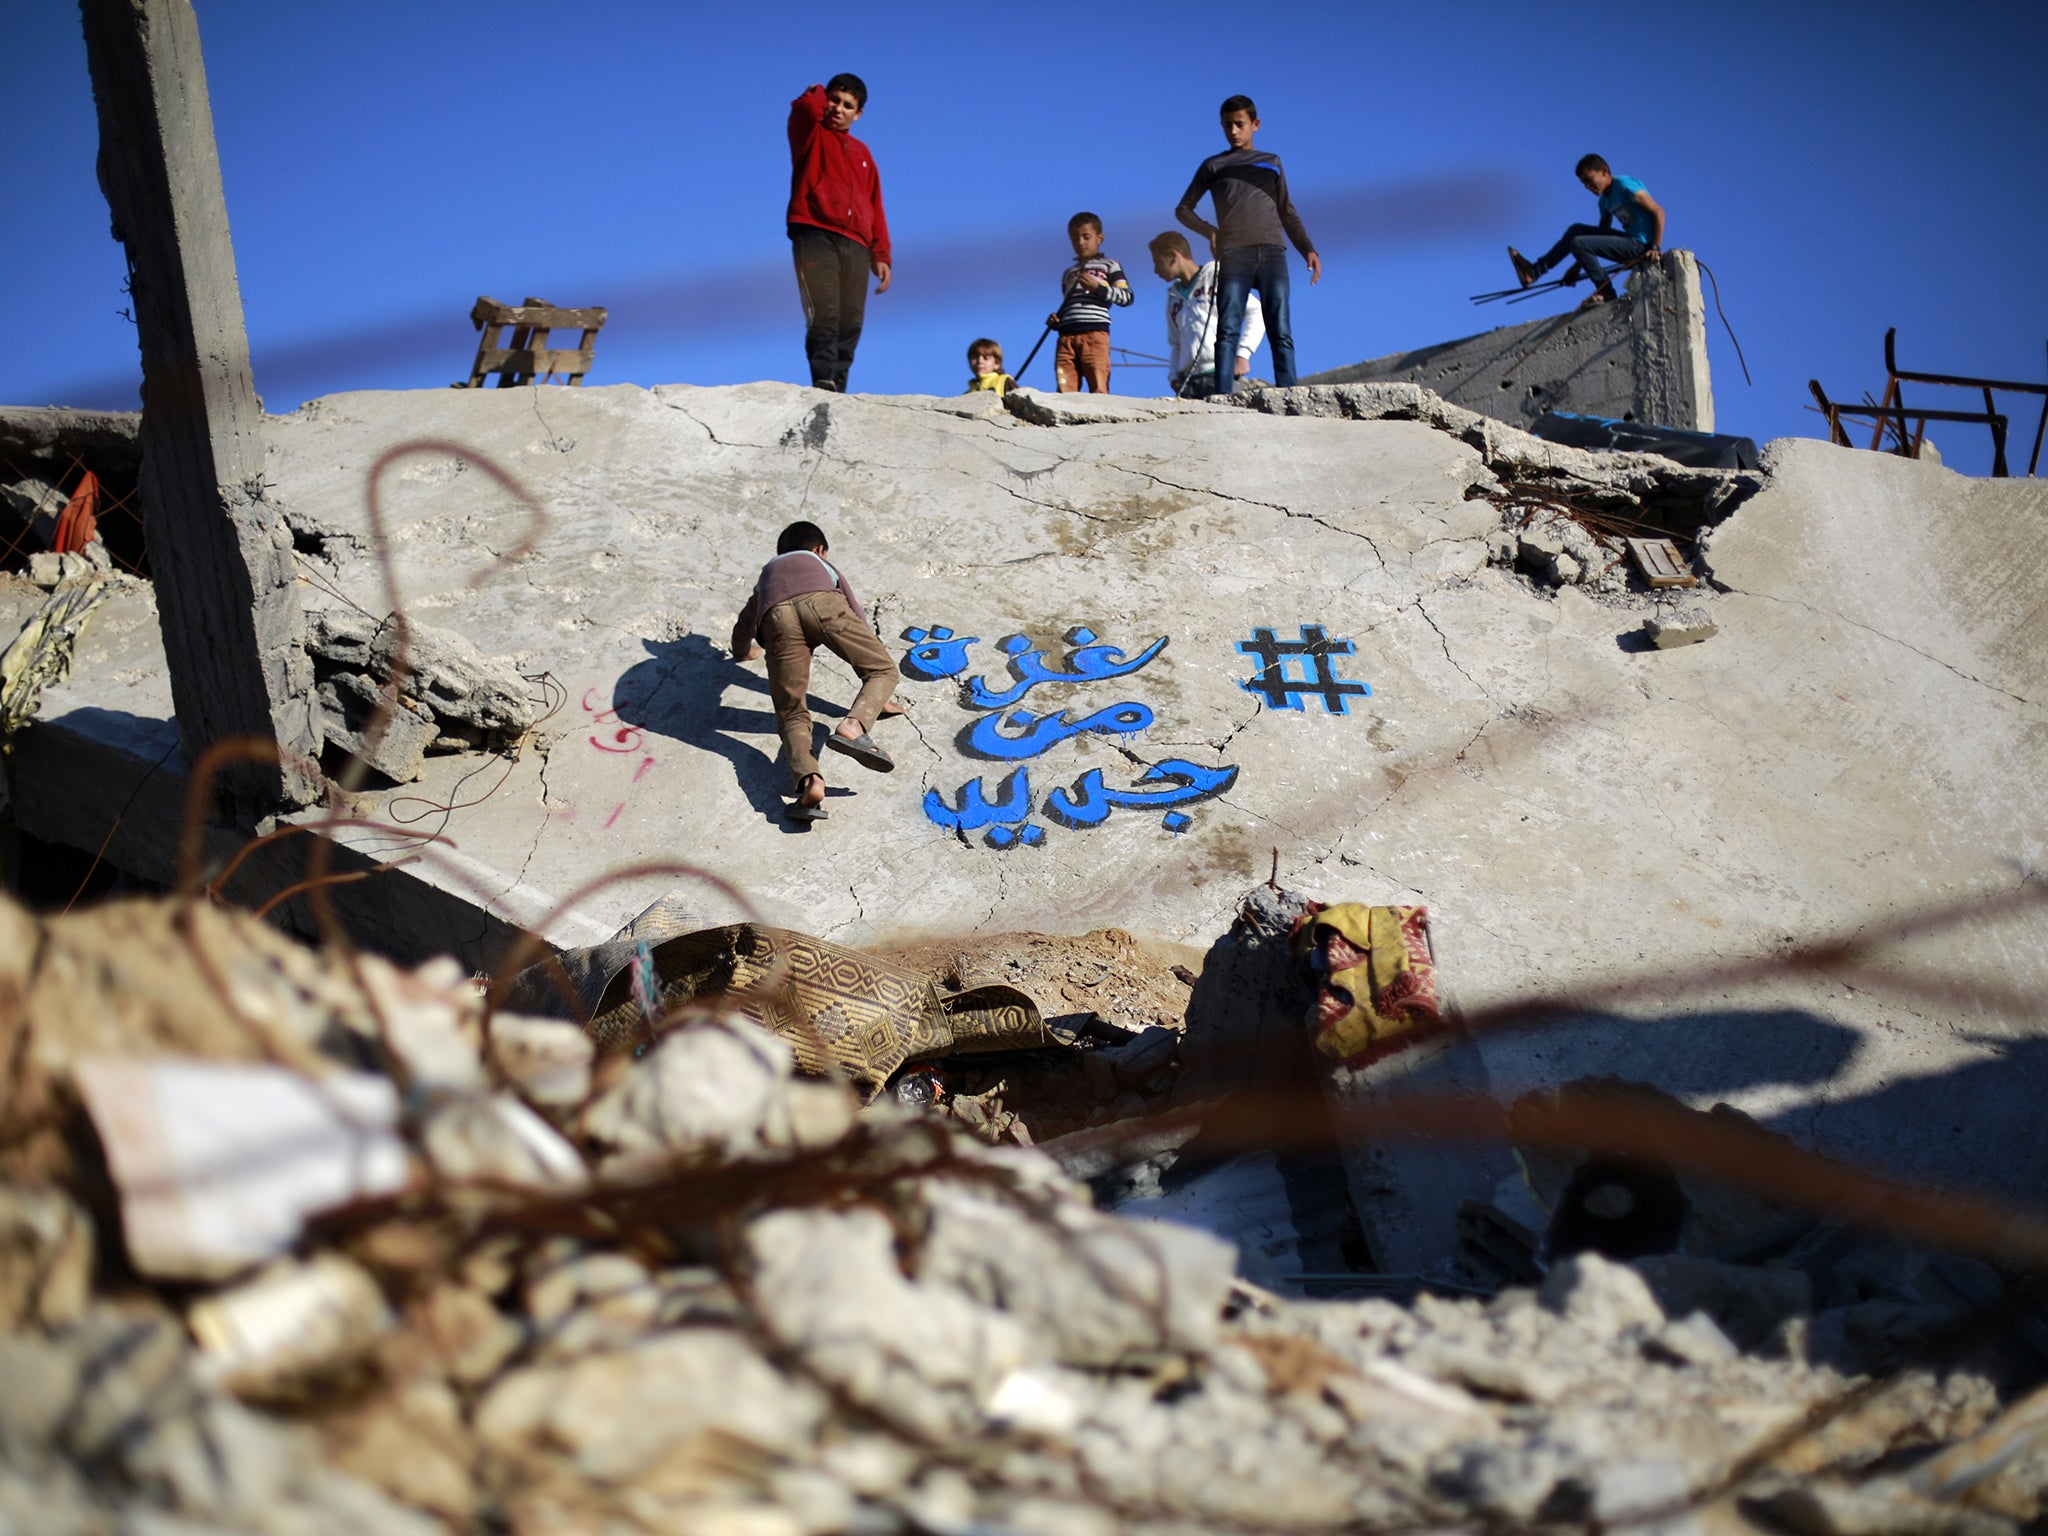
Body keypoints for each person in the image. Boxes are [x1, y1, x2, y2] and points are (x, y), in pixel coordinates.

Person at [730, 520, 899, 821]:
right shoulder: (817, 563)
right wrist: (877, 700)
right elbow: (855, 612)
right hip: (822, 604)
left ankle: (811, 782)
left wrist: (743, 652)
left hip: (776, 618)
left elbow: (745, 622)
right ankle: (854, 727)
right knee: (882, 670)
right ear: (820, 549)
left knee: (792, 713)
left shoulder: (767, 575)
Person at [1174, 95, 1321, 394]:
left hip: (1272, 251)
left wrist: (1308, 248)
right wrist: (1210, 232)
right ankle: (1224, 395)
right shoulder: (1213, 166)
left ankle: (1288, 393)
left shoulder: (1272, 163)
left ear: (1255, 125)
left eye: (1239, 124)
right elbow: (1183, 209)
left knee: (1280, 329)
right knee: (1227, 329)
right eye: (1227, 125)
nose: (1233, 131)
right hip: (1234, 254)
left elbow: (1287, 211)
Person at [786, 73, 892, 393]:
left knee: (851, 322)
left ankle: (837, 388)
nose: (838, 108)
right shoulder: (810, 133)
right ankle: (822, 378)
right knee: (825, 309)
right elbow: (805, 106)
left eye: (848, 105)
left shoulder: (864, 155)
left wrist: (881, 254)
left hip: (857, 243)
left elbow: (876, 204)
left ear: (858, 114)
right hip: (814, 231)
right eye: (834, 100)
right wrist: (818, 89)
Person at [1507, 154, 1665, 310]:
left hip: (1642, 246)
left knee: (1578, 242)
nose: (1587, 187)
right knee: (1575, 231)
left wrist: (1655, 247)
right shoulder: (1604, 201)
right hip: (1629, 241)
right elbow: (1596, 238)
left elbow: (1658, 212)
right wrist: (1577, 267)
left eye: (1589, 180)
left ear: (1604, 171)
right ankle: (1533, 273)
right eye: (1584, 184)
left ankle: (1607, 292)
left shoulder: (1625, 186)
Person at [1147, 230, 1265, 398]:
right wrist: (1174, 376)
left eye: (1157, 262)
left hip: (1222, 375)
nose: (1155, 270)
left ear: (1173, 256)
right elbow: (1176, 343)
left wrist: (1243, 354)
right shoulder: (1173, 298)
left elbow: (1255, 310)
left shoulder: (1217, 276)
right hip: (1188, 383)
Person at [1045, 212, 1133, 393]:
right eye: (1075, 238)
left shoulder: (1110, 265)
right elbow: (1069, 304)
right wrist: (1057, 319)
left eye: (1086, 237)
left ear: (1099, 238)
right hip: (1066, 337)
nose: (1081, 242)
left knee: (1098, 386)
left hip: (1095, 334)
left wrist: (1098, 288)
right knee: (1065, 388)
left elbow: (1127, 297)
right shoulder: (1069, 273)